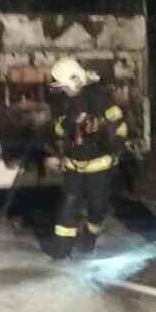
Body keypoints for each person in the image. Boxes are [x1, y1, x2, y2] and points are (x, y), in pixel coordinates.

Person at [47, 56, 127, 259]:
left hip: (99, 166)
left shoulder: (99, 96)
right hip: (74, 164)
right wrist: (69, 124)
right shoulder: (63, 101)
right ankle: (61, 251)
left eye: (65, 86)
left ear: (74, 81)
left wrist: (102, 129)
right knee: (68, 204)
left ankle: (89, 238)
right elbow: (56, 129)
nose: (63, 90)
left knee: (96, 209)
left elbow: (120, 126)